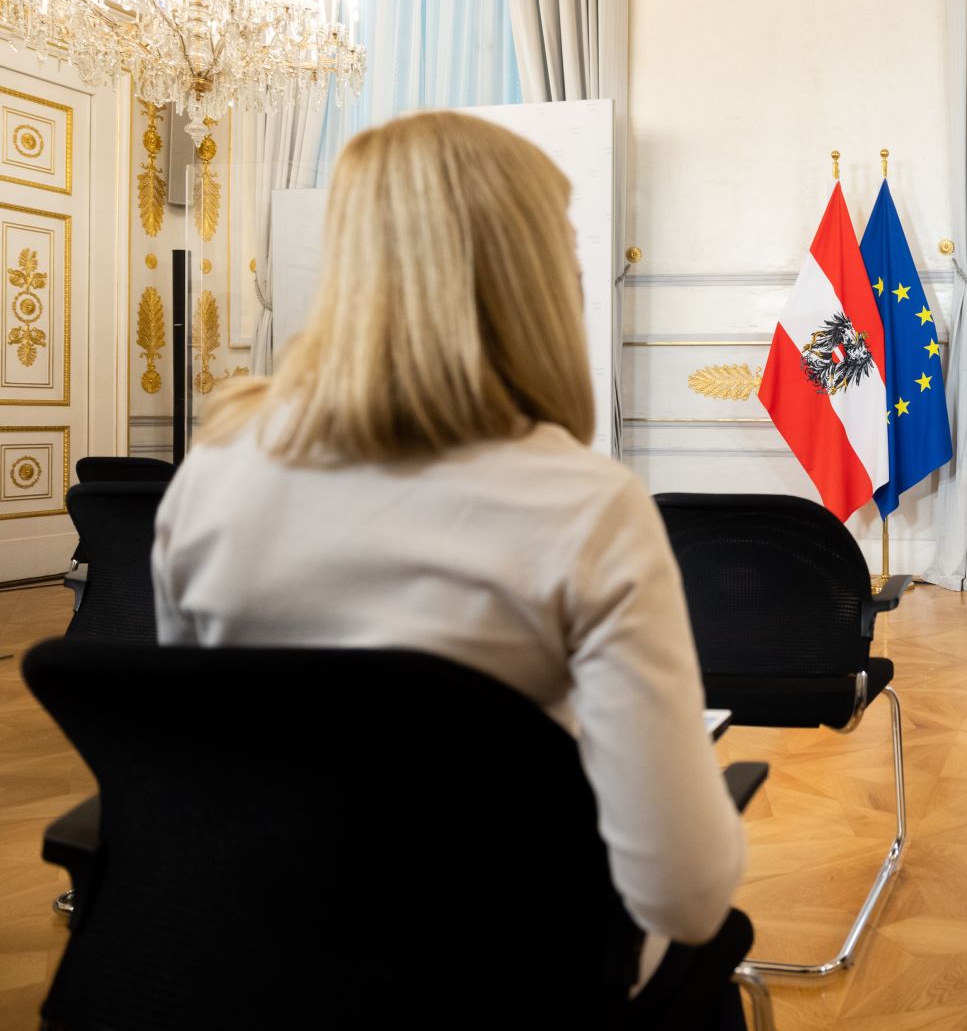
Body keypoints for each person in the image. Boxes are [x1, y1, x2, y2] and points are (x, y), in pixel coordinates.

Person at [151, 111, 745, 996]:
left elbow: (198, 760)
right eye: (568, 245)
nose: (584, 268)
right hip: (509, 977)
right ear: (531, 278)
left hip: (253, 958)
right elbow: (683, 898)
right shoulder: (590, 507)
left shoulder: (213, 473)